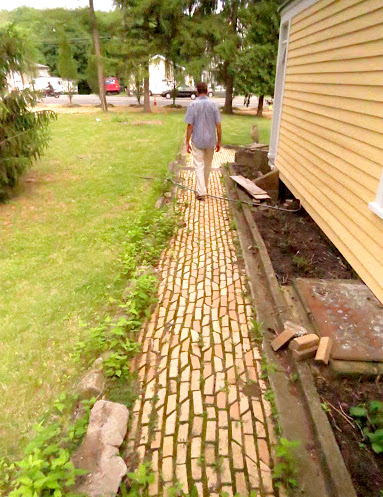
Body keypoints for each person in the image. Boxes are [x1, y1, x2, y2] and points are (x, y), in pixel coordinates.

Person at [184, 82, 222, 200]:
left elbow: (190, 126)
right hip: (210, 141)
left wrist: (187, 141)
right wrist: (219, 141)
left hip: (198, 140)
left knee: (198, 166)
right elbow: (218, 125)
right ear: (206, 90)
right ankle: (203, 188)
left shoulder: (193, 105)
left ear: (197, 91)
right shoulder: (214, 105)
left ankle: (201, 192)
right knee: (207, 165)